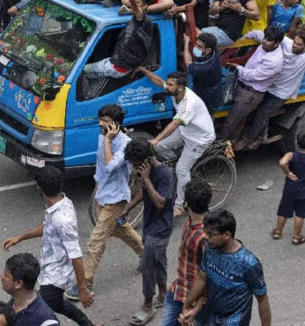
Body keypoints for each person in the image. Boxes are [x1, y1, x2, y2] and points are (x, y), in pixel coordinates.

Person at [2, 167, 102, 326]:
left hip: (56, 277)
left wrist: (82, 288)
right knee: (57, 303)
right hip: (50, 270)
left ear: (39, 189)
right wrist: (19, 238)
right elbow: (47, 227)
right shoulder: (62, 202)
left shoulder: (62, 219)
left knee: (25, 307)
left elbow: (76, 255)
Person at [66, 104, 144, 301]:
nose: (101, 124)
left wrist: (109, 140)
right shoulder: (102, 137)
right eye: (100, 120)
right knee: (121, 229)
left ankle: (85, 284)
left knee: (96, 241)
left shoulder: (124, 144)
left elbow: (110, 165)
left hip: (116, 199)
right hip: (103, 194)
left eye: (106, 122)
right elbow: (100, 166)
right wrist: (97, 188)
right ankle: (147, 255)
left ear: (116, 125)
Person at [135, 70, 215, 216]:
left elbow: (174, 124)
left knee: (181, 169)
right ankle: (178, 171)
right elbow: (159, 81)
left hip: (199, 138)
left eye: (170, 85)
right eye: (168, 83)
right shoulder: (175, 91)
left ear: (180, 87)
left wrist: (155, 139)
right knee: (160, 147)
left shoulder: (189, 104)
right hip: (186, 131)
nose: (167, 87)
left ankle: (179, 205)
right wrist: (142, 70)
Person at [234, 20, 305, 151]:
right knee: (253, 111)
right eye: (295, 42)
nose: (295, 46)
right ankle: (261, 135)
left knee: (262, 114)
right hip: (268, 86)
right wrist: (242, 40)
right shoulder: (286, 42)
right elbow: (265, 36)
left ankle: (247, 139)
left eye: (299, 45)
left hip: (281, 94)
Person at [179, 210, 271, 325]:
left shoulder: (249, 263)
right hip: (210, 318)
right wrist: (187, 305)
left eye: (211, 234)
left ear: (226, 235)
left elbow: (262, 298)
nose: (206, 237)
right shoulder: (210, 248)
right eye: (205, 232)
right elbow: (202, 277)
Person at [122, 139, 175, 326]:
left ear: (147, 160)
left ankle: (147, 305)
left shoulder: (165, 174)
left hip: (160, 228)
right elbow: (143, 192)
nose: (134, 168)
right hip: (149, 224)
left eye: (136, 164)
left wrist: (145, 180)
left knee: (147, 266)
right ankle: (163, 294)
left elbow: (160, 202)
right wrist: (129, 206)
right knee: (159, 261)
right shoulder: (147, 172)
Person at [81, 0, 153, 84]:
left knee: (82, 70)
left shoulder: (141, 17)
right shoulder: (142, 19)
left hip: (117, 66)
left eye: (137, 3)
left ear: (144, 6)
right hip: (122, 63)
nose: (133, 4)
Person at [218, 26, 285, 144]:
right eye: (265, 38)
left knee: (232, 121)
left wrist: (238, 68)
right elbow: (255, 33)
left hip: (250, 94)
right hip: (243, 87)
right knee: (239, 119)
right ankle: (231, 143)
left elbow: (253, 75)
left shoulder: (274, 61)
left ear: (276, 44)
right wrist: (240, 42)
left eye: (269, 40)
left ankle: (218, 145)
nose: (264, 41)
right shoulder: (266, 42)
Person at [160, 178, 212, 326]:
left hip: (197, 301)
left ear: (186, 203)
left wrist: (195, 307)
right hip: (178, 290)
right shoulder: (191, 222)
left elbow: (210, 275)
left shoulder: (205, 237)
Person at [271, 131, 305, 245]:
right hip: (304, 191)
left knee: (283, 211)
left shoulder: (291, 155)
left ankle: (277, 232)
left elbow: (282, 163)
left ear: (296, 142)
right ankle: (297, 237)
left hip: (290, 188)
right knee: (300, 214)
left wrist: (287, 172)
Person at [0, 253, 59, 326]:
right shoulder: (15, 301)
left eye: (6, 275)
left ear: (18, 283)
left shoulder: (47, 322)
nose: (1, 276)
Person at [183, 32, 222, 115]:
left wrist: (186, 43)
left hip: (207, 99)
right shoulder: (214, 51)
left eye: (199, 46)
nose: (195, 47)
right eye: (196, 44)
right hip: (213, 88)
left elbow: (188, 62)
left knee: (204, 118)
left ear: (208, 50)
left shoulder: (203, 68)